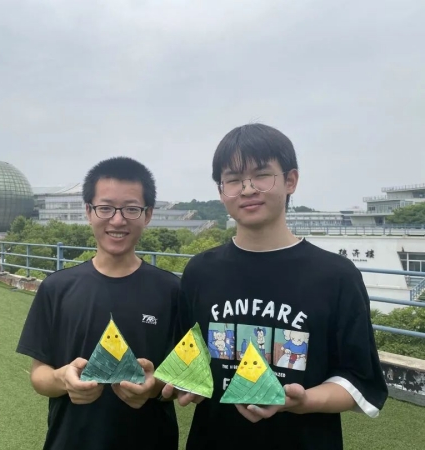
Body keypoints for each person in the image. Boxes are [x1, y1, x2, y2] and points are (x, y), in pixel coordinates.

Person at [163, 123, 388, 449]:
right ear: (221, 191)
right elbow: (192, 359)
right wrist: (188, 384)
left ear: (290, 180)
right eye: (233, 179)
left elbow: (359, 379)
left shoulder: (337, 275)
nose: (247, 189)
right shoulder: (200, 271)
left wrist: (303, 401)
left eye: (262, 175)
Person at [16, 156, 181, 450]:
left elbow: (181, 378)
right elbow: (39, 376)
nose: (117, 220)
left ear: (148, 214)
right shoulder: (56, 288)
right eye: (105, 208)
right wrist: (63, 379)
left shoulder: (171, 290)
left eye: (131, 209)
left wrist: (153, 386)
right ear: (89, 212)